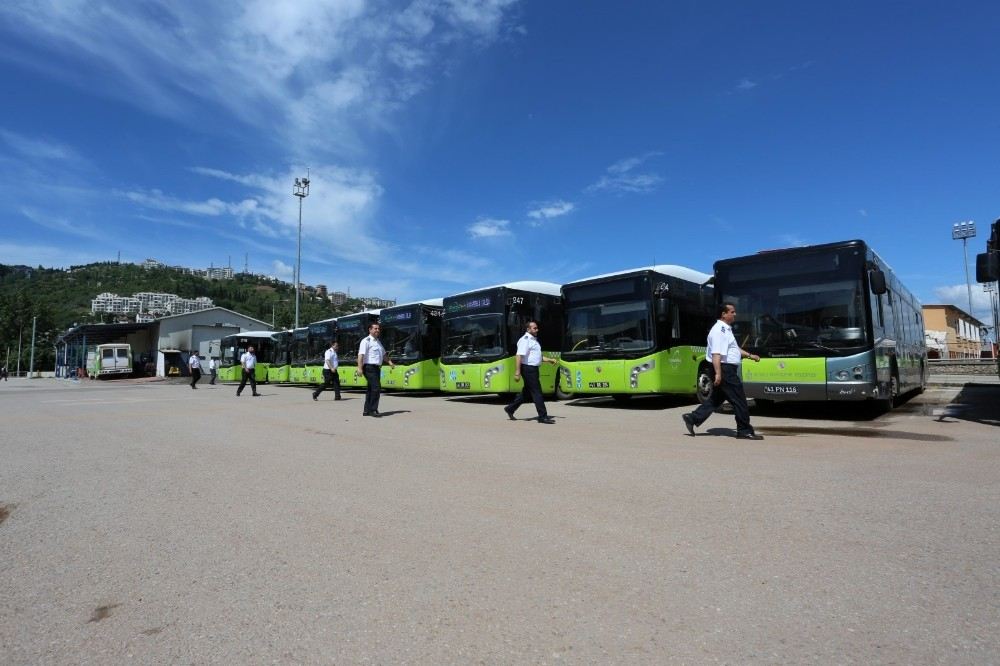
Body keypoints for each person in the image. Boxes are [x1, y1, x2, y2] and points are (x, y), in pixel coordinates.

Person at [682, 302, 763, 440]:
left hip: (726, 369)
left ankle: (693, 418)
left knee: (716, 399)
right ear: (723, 314)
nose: (735, 314)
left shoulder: (726, 329)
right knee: (740, 400)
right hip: (725, 370)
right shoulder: (719, 330)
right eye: (732, 312)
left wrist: (750, 355)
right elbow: (716, 354)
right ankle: (744, 430)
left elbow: (734, 349)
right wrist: (718, 373)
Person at [504, 320, 559, 424]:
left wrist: (550, 360)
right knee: (537, 392)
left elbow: (536, 356)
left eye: (537, 328)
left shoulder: (534, 340)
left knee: (527, 392)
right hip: (528, 369)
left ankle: (510, 409)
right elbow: (519, 355)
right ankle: (542, 416)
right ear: (528, 329)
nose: (537, 329)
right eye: (534, 328)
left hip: (533, 369)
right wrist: (517, 372)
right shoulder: (525, 340)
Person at [356, 323, 394, 416]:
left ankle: (366, 410)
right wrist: (359, 368)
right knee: (376, 388)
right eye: (375, 328)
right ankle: (373, 410)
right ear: (370, 330)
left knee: (370, 389)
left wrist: (390, 362)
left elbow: (384, 354)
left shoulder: (378, 342)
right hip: (369, 367)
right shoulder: (366, 341)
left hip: (376, 368)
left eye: (378, 329)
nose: (377, 330)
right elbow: (361, 355)